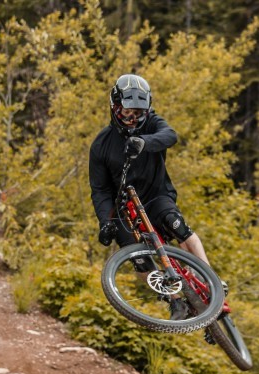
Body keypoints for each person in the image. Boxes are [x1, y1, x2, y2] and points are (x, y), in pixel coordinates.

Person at [89, 73, 222, 320]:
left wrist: (143, 142)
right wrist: (104, 221)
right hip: (122, 210)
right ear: (114, 107)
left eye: (138, 113)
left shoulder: (152, 124)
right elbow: (100, 190)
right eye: (125, 112)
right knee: (135, 255)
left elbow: (170, 135)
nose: (131, 119)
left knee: (178, 225)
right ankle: (174, 302)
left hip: (156, 195)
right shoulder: (101, 145)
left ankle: (211, 280)